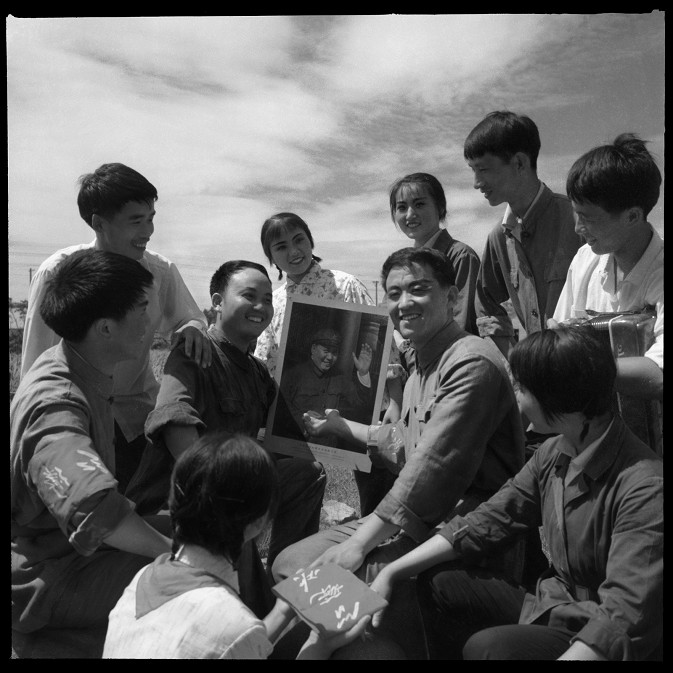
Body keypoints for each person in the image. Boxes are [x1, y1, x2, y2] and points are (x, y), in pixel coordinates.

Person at [271, 247, 526, 659]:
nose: (404, 303)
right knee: (292, 561)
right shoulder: (421, 365)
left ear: (452, 297)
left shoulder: (470, 362)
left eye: (418, 289)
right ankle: (350, 640)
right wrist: (340, 426)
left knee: (345, 582)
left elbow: (433, 469)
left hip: (460, 526)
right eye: (394, 293)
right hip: (412, 518)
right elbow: (402, 443)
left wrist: (360, 543)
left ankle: (375, 645)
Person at [370, 326, 663, 661]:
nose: (515, 396)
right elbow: (486, 522)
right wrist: (392, 571)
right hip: (557, 606)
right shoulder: (554, 454)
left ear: (559, 397)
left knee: (489, 648)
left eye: (522, 387)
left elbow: (623, 618)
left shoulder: (645, 488)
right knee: (440, 580)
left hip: (601, 635)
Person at [128, 260, 326, 619]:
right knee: (234, 521)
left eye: (267, 299)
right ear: (218, 301)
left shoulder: (257, 373)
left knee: (307, 473)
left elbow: (289, 434)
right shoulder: (195, 351)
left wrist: (347, 430)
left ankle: (286, 575)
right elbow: (174, 422)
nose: (261, 306)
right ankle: (265, 618)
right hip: (178, 503)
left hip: (231, 495)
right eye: (249, 296)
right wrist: (227, 493)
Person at [11, 250, 172, 644]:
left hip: (71, 551)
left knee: (214, 531)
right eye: (141, 309)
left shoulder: (76, 367)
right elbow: (94, 508)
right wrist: (175, 554)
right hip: (46, 573)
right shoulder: (56, 404)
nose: (150, 321)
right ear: (105, 328)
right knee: (190, 578)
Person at [20, 163, 210, 492]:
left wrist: (192, 328)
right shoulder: (58, 273)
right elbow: (35, 362)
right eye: (136, 221)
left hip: (136, 418)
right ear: (98, 223)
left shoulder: (159, 271)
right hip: (76, 415)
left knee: (141, 501)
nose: (148, 231)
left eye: (151, 218)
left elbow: (189, 318)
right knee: (85, 501)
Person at [103, 432, 370, 659]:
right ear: (259, 522)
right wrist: (319, 646)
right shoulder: (233, 624)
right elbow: (233, 639)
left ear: (174, 501)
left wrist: (283, 609)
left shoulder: (140, 581)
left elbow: (230, 645)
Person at [254, 211, 404, 517]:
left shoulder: (345, 284)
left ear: (311, 241)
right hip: (296, 418)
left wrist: (396, 400)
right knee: (300, 490)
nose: (293, 251)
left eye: (299, 240)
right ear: (271, 257)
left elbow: (384, 343)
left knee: (378, 488)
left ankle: (381, 539)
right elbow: (264, 362)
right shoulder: (275, 301)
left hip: (357, 411)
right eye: (281, 247)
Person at [551, 133, 663, 404]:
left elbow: (659, 373)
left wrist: (582, 366)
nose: (578, 228)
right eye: (576, 214)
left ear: (632, 216)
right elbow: (561, 333)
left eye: (588, 218)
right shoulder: (584, 260)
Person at [464, 110, 581, 358]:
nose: (476, 182)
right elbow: (485, 306)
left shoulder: (577, 220)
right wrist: (516, 362)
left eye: (483, 169)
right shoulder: (498, 238)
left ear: (519, 163)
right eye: (472, 170)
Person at [389, 172, 480, 335]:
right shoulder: (402, 266)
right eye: (402, 207)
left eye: (419, 204)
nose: (410, 214)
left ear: (440, 207)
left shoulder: (461, 257)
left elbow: (460, 326)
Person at [276, 326, 374, 447]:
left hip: (329, 448)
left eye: (335, 353)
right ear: (313, 349)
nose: (330, 357)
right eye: (326, 351)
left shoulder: (340, 378)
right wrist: (303, 418)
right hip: (297, 445)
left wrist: (363, 373)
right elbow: (279, 411)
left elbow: (361, 405)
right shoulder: (293, 375)